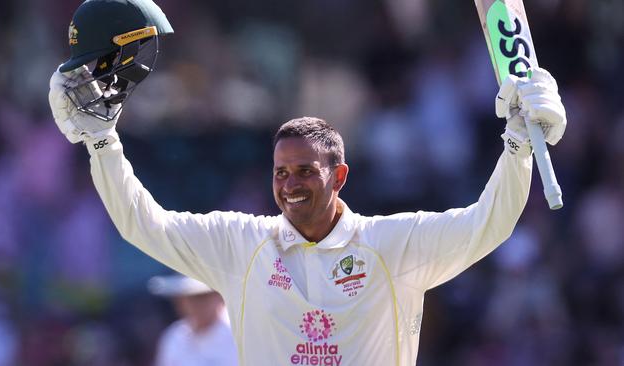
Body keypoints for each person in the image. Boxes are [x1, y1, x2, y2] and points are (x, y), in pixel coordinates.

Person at [48, 0, 567, 365]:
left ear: (339, 176)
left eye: (304, 171)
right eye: (280, 172)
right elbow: (143, 224)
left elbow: (488, 225)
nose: (289, 185)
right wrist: (103, 143)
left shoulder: (393, 246)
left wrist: (518, 143)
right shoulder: (241, 245)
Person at [148, 275, 237, 366]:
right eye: (187, 298)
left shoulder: (238, 334)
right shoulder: (174, 337)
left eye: (202, 296)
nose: (194, 304)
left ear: (219, 295)